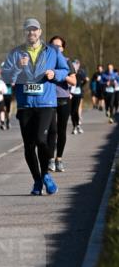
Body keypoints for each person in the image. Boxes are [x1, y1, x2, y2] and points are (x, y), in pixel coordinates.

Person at [1, 18, 71, 196]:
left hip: (46, 102)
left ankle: (46, 174)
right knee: (29, 145)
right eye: (28, 30)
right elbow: (6, 76)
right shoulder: (16, 53)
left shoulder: (53, 51)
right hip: (25, 104)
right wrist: (17, 67)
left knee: (41, 139)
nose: (31, 33)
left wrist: (54, 73)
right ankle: (37, 180)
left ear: (40, 32)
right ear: (24, 33)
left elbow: (65, 71)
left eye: (35, 30)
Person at [46, 37, 77, 172]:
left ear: (63, 48)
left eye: (58, 46)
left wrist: (60, 74)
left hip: (63, 99)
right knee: (51, 130)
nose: (55, 48)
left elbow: (74, 82)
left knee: (61, 130)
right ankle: (50, 159)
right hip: (48, 99)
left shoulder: (67, 62)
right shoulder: (45, 61)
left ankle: (59, 159)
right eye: (53, 45)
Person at [70, 59, 88, 134]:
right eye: (74, 65)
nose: (75, 66)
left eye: (77, 65)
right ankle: (75, 126)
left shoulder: (80, 73)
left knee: (75, 110)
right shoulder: (69, 73)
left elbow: (85, 80)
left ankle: (76, 126)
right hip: (70, 94)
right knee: (71, 112)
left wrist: (80, 86)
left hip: (78, 94)